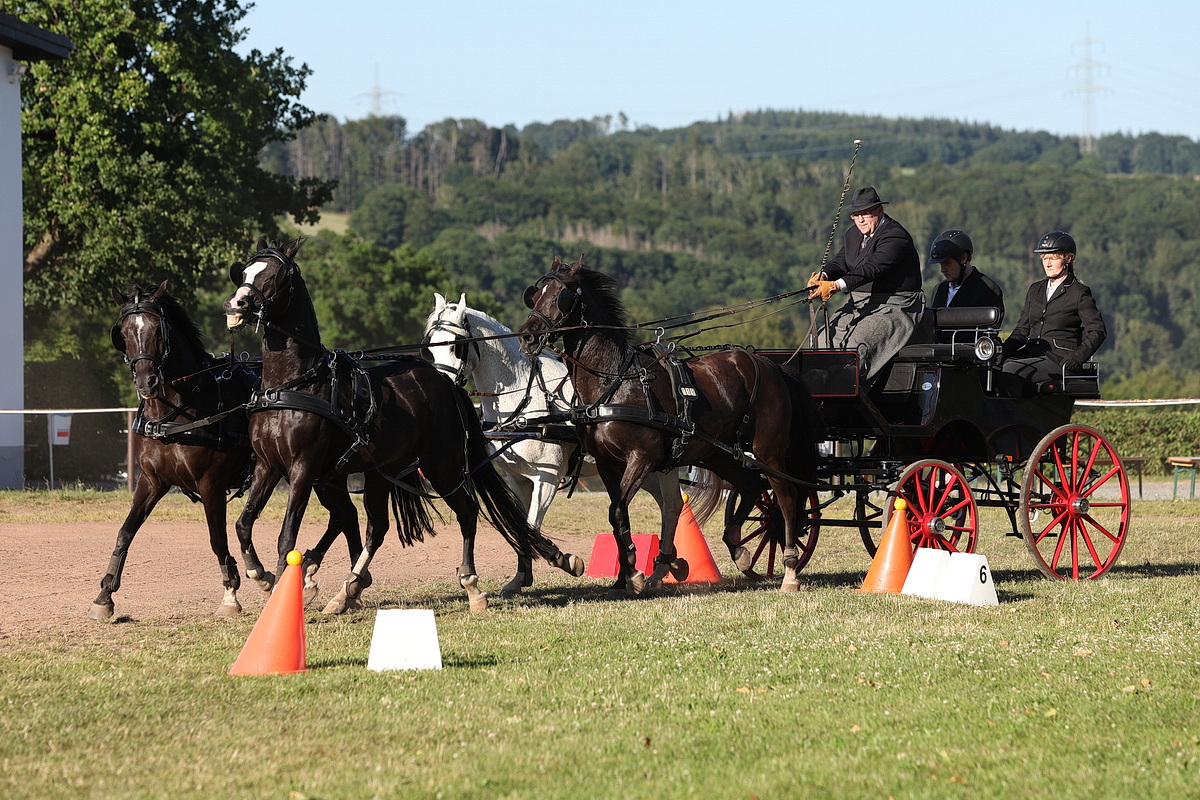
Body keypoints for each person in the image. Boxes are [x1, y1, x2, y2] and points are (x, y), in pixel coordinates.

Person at [806, 186, 924, 379]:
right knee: (822, 341)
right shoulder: (853, 234)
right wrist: (824, 276)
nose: (860, 220)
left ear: (879, 211)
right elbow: (841, 261)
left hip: (894, 306)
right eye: (855, 215)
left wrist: (836, 285)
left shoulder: (895, 236)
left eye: (865, 214)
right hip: (859, 302)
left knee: (855, 347)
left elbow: (871, 269)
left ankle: (847, 395)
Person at [1001, 230, 1106, 386]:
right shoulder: (1035, 290)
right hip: (1031, 353)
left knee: (1011, 369)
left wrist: (1076, 358)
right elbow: (1022, 330)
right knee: (992, 368)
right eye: (1044, 258)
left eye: (1053, 258)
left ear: (1068, 259)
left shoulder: (1078, 292)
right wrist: (1002, 351)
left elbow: (1097, 331)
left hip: (1058, 358)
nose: (1047, 263)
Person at [928, 230, 1004, 311]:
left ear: (963, 258)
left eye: (947, 263)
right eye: (941, 264)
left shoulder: (988, 290)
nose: (942, 270)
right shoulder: (939, 289)